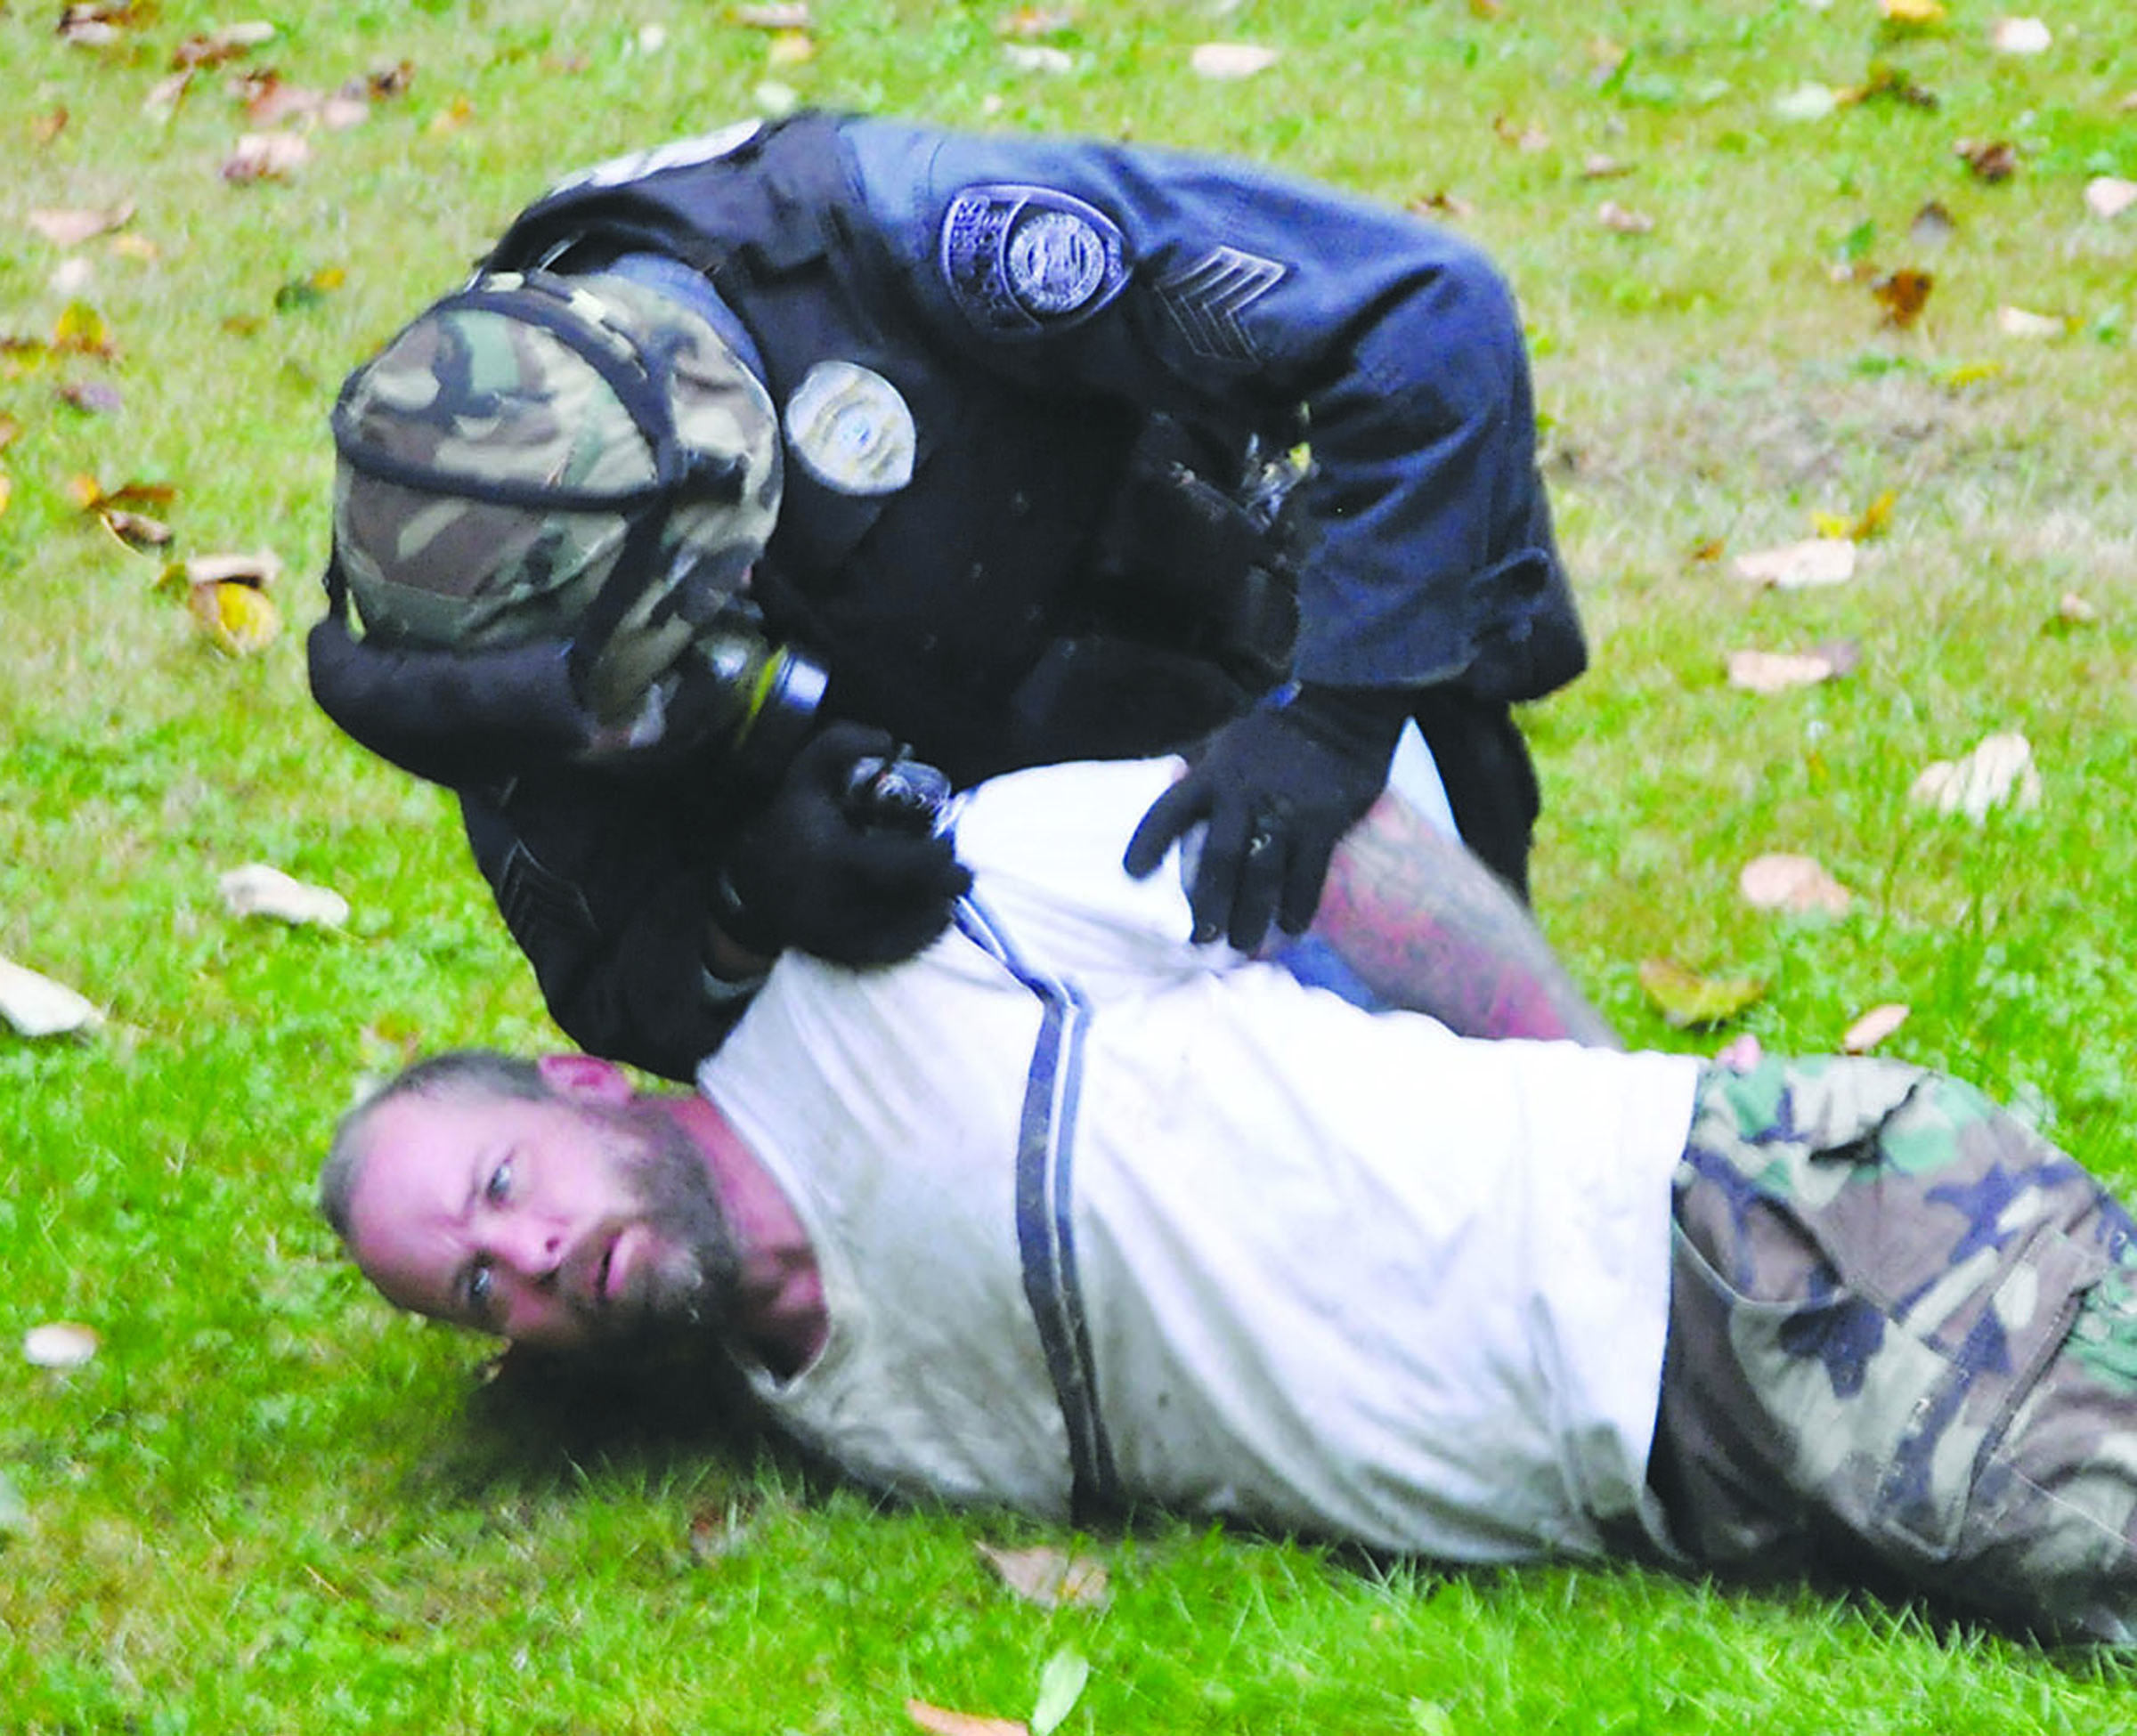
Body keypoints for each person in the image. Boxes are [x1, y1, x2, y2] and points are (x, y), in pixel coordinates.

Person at [322, 750, 2137, 1645]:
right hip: (1676, 1477)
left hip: (1741, 1250)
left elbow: (1339, 853)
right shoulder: (821, 1415)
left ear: (582, 1084)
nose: (530, 1253)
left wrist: (1598, 1093)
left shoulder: (896, 951)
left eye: (500, 1189)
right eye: (480, 1285)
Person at [308, 110, 1586, 1081]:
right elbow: (624, 984)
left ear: (735, 517)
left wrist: (1335, 721)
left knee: (1479, 1097)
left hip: (1252, 721)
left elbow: (1426, 315)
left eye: (684, 654)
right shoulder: (475, 597)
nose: (628, 740)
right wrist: (757, 902)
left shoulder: (909, 240)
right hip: (981, 969)